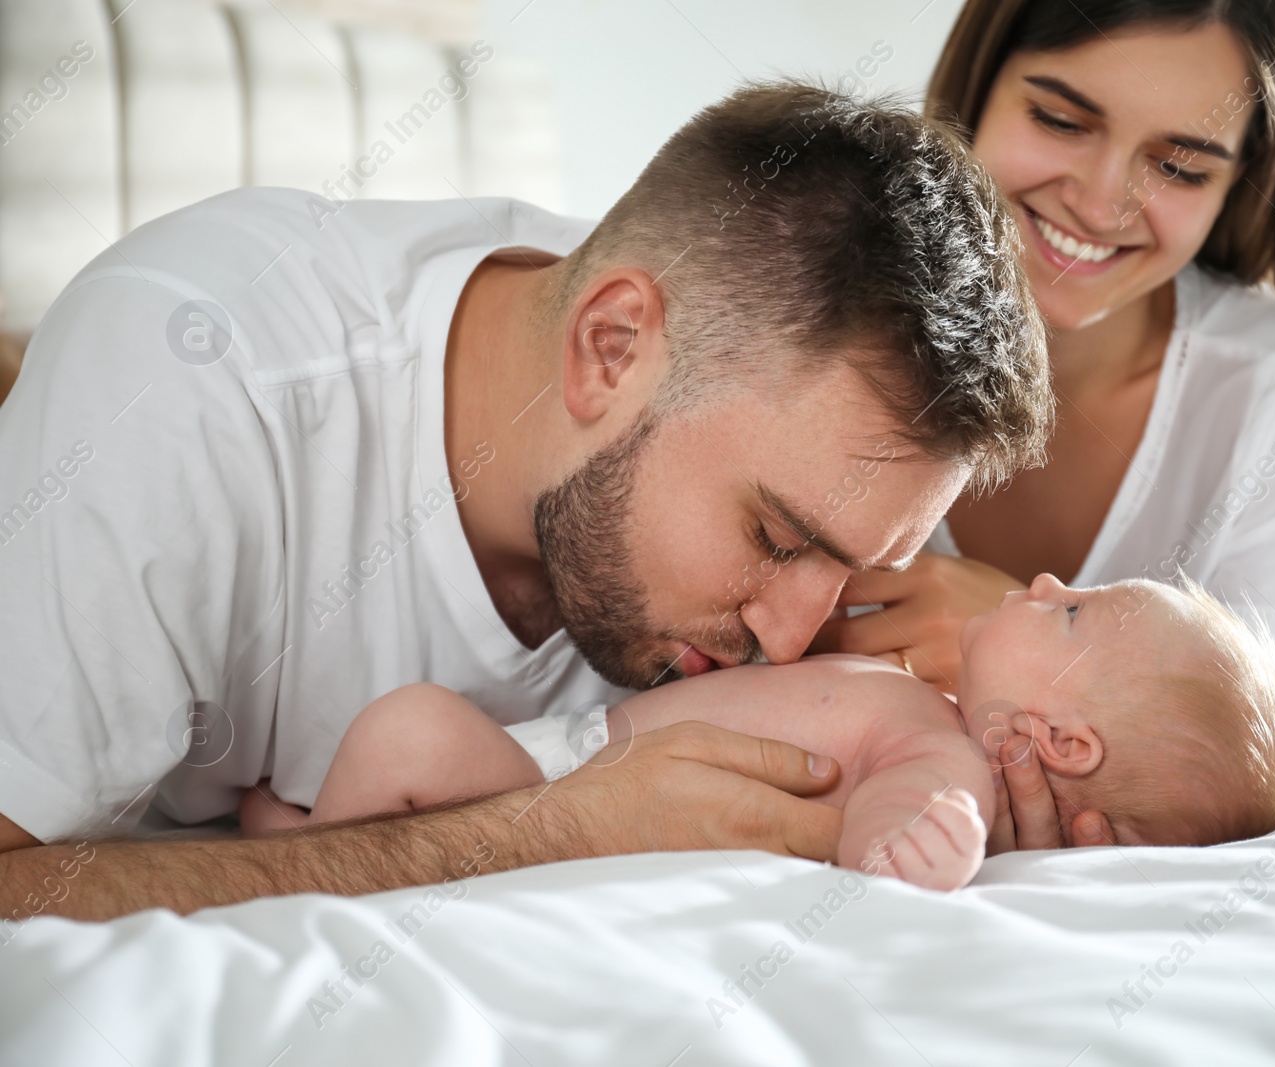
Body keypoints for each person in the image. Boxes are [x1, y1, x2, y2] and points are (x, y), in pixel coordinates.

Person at [0, 83, 1051, 921]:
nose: (791, 636)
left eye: (856, 567)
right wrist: (552, 827)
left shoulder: (801, 413)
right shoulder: (189, 382)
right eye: (774, 539)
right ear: (610, 347)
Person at [812, 0, 1275, 819]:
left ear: (1240, 183)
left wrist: (1004, 634)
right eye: (1062, 120)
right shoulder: (819, 299)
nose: (1103, 204)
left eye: (1180, 167)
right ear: (977, 89)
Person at [239, 574, 1275, 892]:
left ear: (1061, 743)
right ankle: (327, 834)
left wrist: (920, 837)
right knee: (416, 733)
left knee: (412, 729)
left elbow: (897, 818)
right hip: (576, 749)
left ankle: (310, 857)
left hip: (566, 774)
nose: (1039, 581)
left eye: (1071, 610)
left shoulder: (943, 760)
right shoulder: (925, 709)